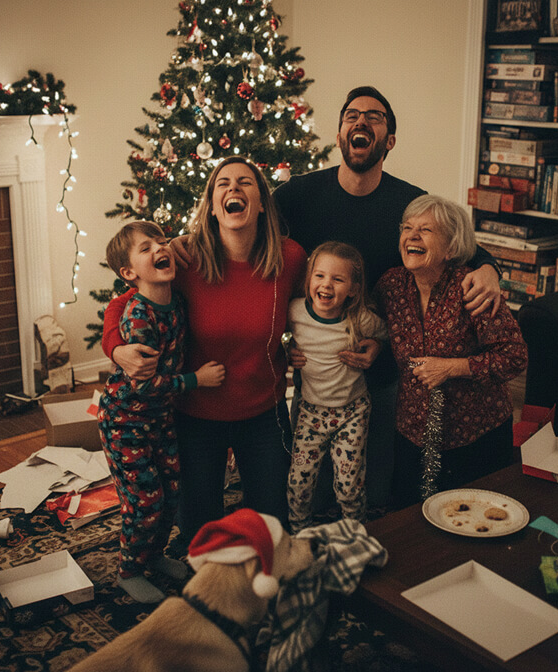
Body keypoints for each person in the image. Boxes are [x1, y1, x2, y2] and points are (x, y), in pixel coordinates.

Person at [271, 85, 503, 509]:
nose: (360, 121)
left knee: (371, 486)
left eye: (374, 116)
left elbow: (457, 239)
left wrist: (490, 267)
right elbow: (244, 228)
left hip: (385, 370)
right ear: (340, 134)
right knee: (310, 482)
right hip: (321, 372)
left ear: (389, 140)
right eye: (351, 115)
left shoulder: (408, 202)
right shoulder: (298, 195)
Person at [102, 157, 307, 539]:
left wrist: (304, 345)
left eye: (245, 183)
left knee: (274, 526)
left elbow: (314, 306)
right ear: (212, 205)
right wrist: (116, 349)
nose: (234, 189)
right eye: (223, 184)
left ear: (262, 201)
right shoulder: (183, 258)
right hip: (195, 415)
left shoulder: (290, 257)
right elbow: (122, 302)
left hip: (264, 411)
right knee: (198, 531)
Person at [98, 220, 225, 603]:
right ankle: (128, 570)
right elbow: (142, 384)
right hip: (125, 422)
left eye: (162, 240)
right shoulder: (138, 317)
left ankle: (152, 556)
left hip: (160, 419)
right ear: (129, 273)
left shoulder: (178, 302)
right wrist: (195, 381)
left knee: (171, 494)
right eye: (145, 247)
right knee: (144, 500)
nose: (159, 248)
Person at [374, 195, 528, 506]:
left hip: (475, 436)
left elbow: (515, 355)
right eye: (407, 228)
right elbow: (372, 325)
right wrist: (372, 345)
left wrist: (452, 367)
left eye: (426, 230)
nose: (412, 236)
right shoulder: (391, 286)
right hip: (412, 431)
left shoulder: (473, 288)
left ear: (452, 248)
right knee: (409, 521)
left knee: (471, 521)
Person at [286, 241, 387, 532]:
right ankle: (298, 533)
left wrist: (377, 345)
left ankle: (355, 533)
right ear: (309, 279)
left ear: (353, 289)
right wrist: (287, 351)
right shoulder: (295, 312)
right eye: (319, 276)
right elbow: (267, 336)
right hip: (310, 413)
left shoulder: (361, 319)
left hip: (352, 414)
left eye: (337, 279)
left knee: (348, 485)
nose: (326, 285)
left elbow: (388, 335)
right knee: (299, 481)